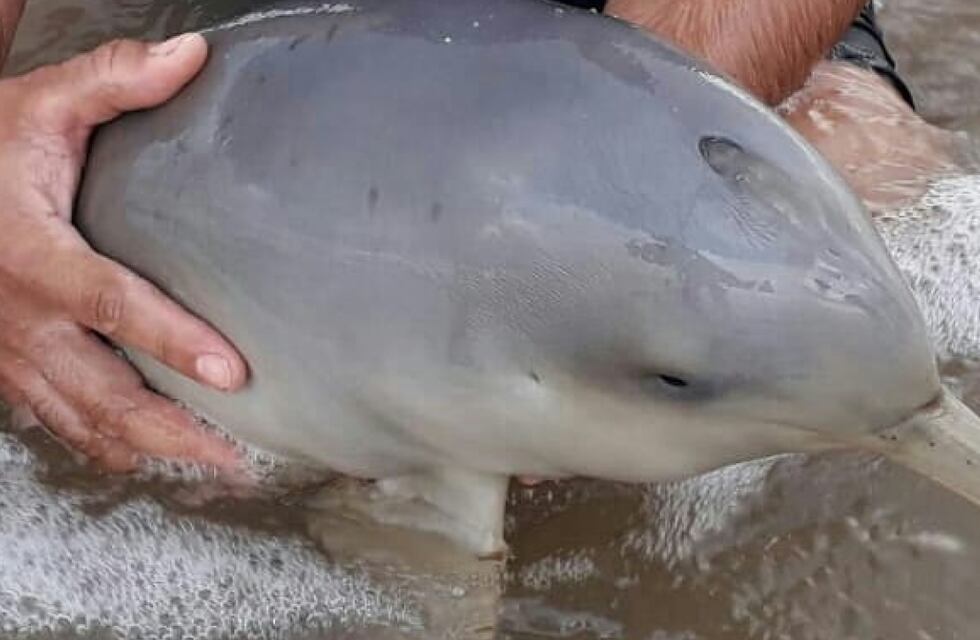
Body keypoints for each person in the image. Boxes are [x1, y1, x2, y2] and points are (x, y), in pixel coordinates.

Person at [0, 0, 954, 474]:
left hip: (634, 34)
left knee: (877, 177)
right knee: (101, 389)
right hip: (238, 30)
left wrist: (576, 218)